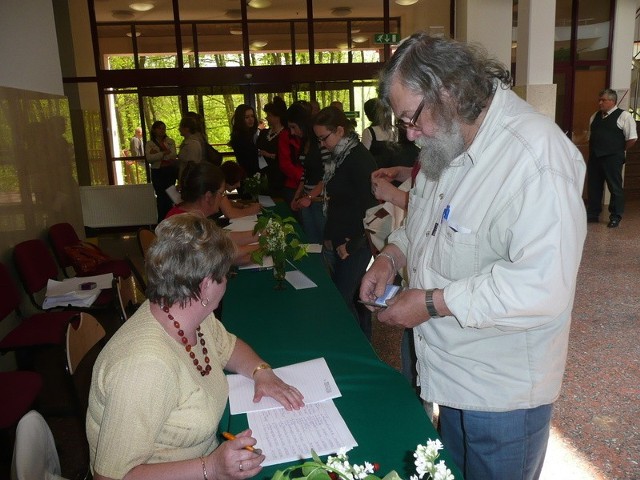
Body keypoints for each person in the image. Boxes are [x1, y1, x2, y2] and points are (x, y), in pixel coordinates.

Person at [359, 33, 587, 480]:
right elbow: (421, 224)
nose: (408, 133)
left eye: (410, 118)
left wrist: (430, 302)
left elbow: (542, 286)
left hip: (502, 394)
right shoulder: (446, 142)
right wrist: (390, 257)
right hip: (450, 373)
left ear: (447, 91)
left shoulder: (535, 158)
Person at [86, 212, 304, 480]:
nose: (228, 280)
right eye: (225, 274)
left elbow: (229, 346)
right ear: (205, 286)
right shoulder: (144, 367)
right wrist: (210, 468)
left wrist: (261, 371)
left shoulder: (183, 311)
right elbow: (109, 477)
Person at [313, 106, 377, 340]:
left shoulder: (358, 159)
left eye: (323, 138)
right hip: (343, 238)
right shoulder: (340, 156)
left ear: (340, 130)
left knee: (343, 298)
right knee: (353, 299)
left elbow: (373, 209)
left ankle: (356, 347)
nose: (321, 144)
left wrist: (353, 245)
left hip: (354, 243)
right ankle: (362, 343)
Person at [166, 162, 260, 265]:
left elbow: (222, 237)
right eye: (222, 193)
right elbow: (226, 255)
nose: (223, 197)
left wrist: (261, 234)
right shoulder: (189, 226)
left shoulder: (187, 215)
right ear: (208, 196)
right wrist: (263, 246)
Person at [587, 88, 637, 228]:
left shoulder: (624, 116)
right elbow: (591, 135)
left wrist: (618, 150)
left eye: (603, 100)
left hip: (613, 158)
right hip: (595, 157)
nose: (600, 103)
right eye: (599, 100)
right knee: (594, 186)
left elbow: (632, 138)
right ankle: (593, 213)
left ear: (612, 101)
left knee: (615, 187)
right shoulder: (595, 116)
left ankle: (615, 216)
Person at [289, 103, 330, 244]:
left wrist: (310, 196)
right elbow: (304, 174)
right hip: (307, 200)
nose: (292, 132)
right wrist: (297, 196)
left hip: (320, 202)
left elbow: (328, 174)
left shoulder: (320, 142)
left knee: (324, 242)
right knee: (311, 242)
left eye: (293, 127)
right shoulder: (305, 142)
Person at [145, 120, 178, 223]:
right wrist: (163, 153)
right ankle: (161, 221)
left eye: (164, 128)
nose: (162, 130)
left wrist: (158, 155)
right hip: (157, 172)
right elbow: (149, 158)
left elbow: (172, 155)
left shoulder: (170, 141)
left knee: (170, 196)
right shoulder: (150, 144)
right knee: (161, 197)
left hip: (169, 171)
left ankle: (171, 220)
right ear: (154, 130)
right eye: (159, 128)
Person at [256, 97, 287, 198]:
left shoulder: (285, 134)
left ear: (278, 117)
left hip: (279, 176)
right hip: (264, 175)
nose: (267, 118)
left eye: (269, 115)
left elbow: (285, 156)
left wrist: (268, 155)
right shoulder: (263, 133)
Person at [361, 98, 397, 167]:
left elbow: (364, 156)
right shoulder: (392, 132)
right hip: (391, 171)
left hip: (375, 171)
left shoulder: (369, 132)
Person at [229, 104, 260, 180]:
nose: (251, 119)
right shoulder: (239, 137)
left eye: (252, 116)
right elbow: (247, 160)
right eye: (247, 117)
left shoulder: (254, 133)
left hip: (256, 174)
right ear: (241, 119)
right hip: (247, 176)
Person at [177, 115, 203, 180]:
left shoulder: (192, 144)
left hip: (189, 179)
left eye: (180, 127)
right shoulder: (188, 142)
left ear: (187, 129)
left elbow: (191, 165)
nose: (179, 129)